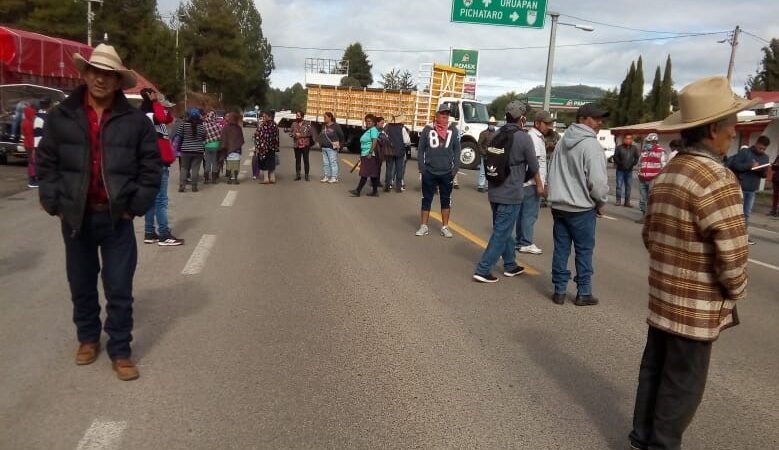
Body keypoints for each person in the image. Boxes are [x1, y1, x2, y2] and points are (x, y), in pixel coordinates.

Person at [628, 75, 753, 450]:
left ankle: (640, 437)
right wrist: (736, 291)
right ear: (714, 129)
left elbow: (650, 235)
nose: (733, 134)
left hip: (662, 298)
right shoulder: (718, 178)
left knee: (654, 371)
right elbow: (732, 256)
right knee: (682, 385)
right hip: (696, 308)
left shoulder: (670, 172)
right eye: (731, 127)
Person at [35, 43, 161, 381]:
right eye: (95, 72)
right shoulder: (62, 116)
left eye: (108, 74)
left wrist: (133, 208)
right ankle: (88, 339)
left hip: (116, 218)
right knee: (81, 283)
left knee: (119, 287)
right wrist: (55, 204)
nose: (100, 79)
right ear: (85, 74)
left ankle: (120, 350)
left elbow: (151, 169)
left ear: (118, 81)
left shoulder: (136, 122)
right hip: (75, 218)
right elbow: (45, 164)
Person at [546, 103, 609, 306]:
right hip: (581, 208)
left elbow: (552, 171)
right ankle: (584, 292)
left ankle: (559, 290)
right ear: (583, 119)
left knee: (561, 249)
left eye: (600, 119)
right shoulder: (591, 146)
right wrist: (600, 202)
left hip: (559, 205)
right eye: (595, 118)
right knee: (583, 251)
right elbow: (598, 183)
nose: (599, 123)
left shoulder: (562, 142)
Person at [473, 100, 538, 282]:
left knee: (503, 229)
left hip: (494, 189)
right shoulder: (523, 137)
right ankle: (483, 269)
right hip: (511, 193)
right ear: (522, 118)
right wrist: (522, 179)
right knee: (501, 232)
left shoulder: (497, 134)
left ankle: (510, 265)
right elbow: (533, 166)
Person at [140, 89, 183, 247]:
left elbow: (169, 118)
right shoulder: (149, 115)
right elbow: (163, 117)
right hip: (157, 162)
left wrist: (161, 104)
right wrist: (156, 102)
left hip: (158, 161)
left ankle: (150, 232)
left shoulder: (152, 115)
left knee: (153, 199)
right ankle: (164, 234)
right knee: (161, 200)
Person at [415, 104, 461, 237]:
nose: (445, 116)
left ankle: (445, 227)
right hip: (429, 171)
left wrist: (455, 168)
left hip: (446, 172)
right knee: (426, 198)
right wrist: (422, 168)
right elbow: (421, 149)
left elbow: (457, 150)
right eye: (442, 114)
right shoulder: (428, 129)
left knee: (446, 199)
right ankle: (423, 226)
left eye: (447, 114)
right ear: (437, 116)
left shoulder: (453, 130)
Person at [516, 110, 551, 255]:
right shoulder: (534, 138)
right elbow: (534, 164)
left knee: (523, 214)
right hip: (531, 183)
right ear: (537, 123)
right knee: (530, 214)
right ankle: (526, 242)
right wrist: (540, 185)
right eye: (546, 123)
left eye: (550, 123)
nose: (549, 126)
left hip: (528, 183)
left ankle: (520, 241)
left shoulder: (536, 137)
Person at [727, 135, 770, 244]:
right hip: (739, 187)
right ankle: (729, 234)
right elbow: (735, 165)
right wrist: (750, 165)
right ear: (756, 144)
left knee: (746, 214)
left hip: (751, 189)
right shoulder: (745, 152)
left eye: (764, 149)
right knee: (734, 212)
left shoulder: (765, 157)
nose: (762, 150)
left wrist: (759, 169)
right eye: (760, 148)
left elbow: (764, 174)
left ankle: (743, 235)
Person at [635, 133, 667, 223]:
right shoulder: (644, 151)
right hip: (642, 178)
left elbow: (664, 166)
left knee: (651, 199)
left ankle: (651, 217)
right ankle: (644, 216)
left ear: (654, 142)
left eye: (649, 142)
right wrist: (639, 173)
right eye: (647, 142)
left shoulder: (660, 151)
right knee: (642, 199)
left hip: (653, 179)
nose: (647, 143)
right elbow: (639, 163)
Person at [175, 108, 206, 192]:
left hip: (185, 150)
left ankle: (182, 186)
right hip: (198, 151)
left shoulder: (183, 125)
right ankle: (194, 186)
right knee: (195, 169)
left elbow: (178, 136)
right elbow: (204, 137)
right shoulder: (202, 127)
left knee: (184, 168)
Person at [350, 114, 381, 197]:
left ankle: (358, 190)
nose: (368, 123)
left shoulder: (373, 130)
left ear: (374, 123)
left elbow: (374, 141)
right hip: (365, 154)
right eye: (367, 121)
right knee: (372, 173)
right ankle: (375, 191)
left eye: (370, 121)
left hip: (369, 154)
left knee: (364, 173)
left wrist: (370, 152)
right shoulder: (369, 130)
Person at [383, 115, 410, 192]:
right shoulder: (402, 128)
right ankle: (398, 187)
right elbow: (407, 141)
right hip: (400, 151)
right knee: (399, 169)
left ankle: (387, 186)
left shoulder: (387, 127)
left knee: (389, 169)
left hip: (389, 151)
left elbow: (383, 136)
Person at [613, 134, 640, 207]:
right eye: (627, 138)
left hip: (629, 171)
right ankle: (618, 201)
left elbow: (637, 157)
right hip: (620, 170)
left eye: (630, 139)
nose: (628, 140)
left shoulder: (634, 148)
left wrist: (633, 164)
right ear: (624, 139)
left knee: (628, 186)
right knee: (619, 186)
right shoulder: (619, 148)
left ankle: (627, 202)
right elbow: (615, 157)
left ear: (631, 140)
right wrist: (620, 163)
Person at [319, 111, 344, 183]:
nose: (324, 119)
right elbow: (321, 135)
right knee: (325, 163)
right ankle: (327, 176)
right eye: (323, 117)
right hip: (324, 147)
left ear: (330, 118)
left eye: (325, 117)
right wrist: (321, 145)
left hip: (332, 148)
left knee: (333, 162)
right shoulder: (324, 126)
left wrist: (340, 145)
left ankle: (334, 177)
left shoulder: (336, 126)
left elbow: (341, 136)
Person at [255, 110, 279, 184]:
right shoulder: (274, 125)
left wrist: (257, 147)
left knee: (265, 162)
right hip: (271, 147)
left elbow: (258, 136)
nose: (264, 118)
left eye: (265, 116)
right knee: (271, 162)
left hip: (264, 147)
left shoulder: (263, 125)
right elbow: (276, 137)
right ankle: (271, 178)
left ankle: (267, 178)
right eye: (263, 116)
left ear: (270, 117)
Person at [220, 112, 245, 185]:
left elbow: (223, 138)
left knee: (229, 165)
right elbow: (241, 139)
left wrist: (223, 147)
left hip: (228, 150)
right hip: (237, 150)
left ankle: (229, 179)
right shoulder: (238, 128)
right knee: (236, 165)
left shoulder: (226, 127)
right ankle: (235, 179)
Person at [476, 116, 498, 192]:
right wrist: (483, 153)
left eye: (492, 124)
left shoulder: (497, 134)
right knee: (483, 170)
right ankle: (481, 186)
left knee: (491, 171)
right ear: (488, 124)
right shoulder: (483, 133)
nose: (491, 125)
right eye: (490, 123)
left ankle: (488, 186)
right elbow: (479, 144)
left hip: (493, 155)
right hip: (485, 154)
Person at [291, 110, 313, 181]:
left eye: (298, 116)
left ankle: (307, 175)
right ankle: (298, 175)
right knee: (297, 160)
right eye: (296, 116)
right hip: (296, 145)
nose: (297, 117)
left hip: (305, 145)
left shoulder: (307, 124)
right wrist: (294, 134)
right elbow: (290, 133)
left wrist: (301, 135)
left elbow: (310, 134)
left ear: (302, 117)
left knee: (306, 160)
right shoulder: (294, 124)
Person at [203, 110, 222, 184]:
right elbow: (220, 135)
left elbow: (203, 135)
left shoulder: (204, 125)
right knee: (214, 162)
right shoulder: (217, 125)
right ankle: (214, 179)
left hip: (207, 145)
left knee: (207, 161)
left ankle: (206, 179)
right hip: (216, 146)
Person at [21, 102, 38, 187]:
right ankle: (32, 181)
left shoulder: (25, 121)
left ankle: (33, 179)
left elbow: (24, 134)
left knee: (31, 162)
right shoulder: (30, 122)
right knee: (32, 162)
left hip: (27, 144)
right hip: (31, 144)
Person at [770, 152, 779, 217]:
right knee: (775, 195)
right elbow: (773, 168)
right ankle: (773, 211)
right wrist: (773, 165)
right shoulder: (778, 156)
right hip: (776, 179)